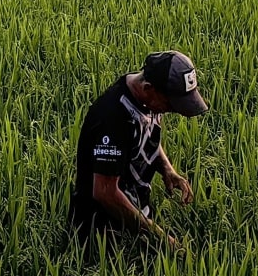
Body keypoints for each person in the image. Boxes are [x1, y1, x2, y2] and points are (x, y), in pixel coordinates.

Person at [70, 51, 209, 250]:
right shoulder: (113, 118)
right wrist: (158, 237)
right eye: (171, 104)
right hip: (103, 235)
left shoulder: (146, 99)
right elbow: (105, 192)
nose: (173, 110)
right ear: (148, 89)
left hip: (135, 220)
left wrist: (168, 170)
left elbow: (146, 134)